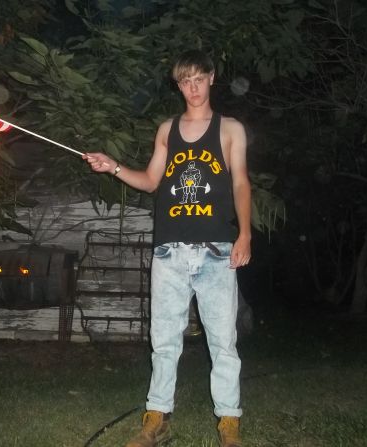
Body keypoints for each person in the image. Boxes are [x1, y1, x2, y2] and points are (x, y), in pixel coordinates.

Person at [83, 49, 251, 447]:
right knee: (164, 339)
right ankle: (156, 419)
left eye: (198, 79)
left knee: (223, 341)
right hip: (169, 251)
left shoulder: (230, 129)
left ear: (211, 78)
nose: (192, 88)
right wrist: (115, 167)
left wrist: (245, 234)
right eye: (184, 81)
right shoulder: (166, 130)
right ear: (178, 85)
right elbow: (152, 181)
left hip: (216, 250)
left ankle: (229, 424)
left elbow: (241, 182)